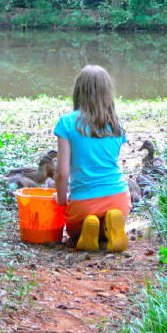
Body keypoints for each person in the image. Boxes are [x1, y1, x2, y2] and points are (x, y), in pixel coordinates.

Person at [54, 65, 131, 252]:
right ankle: (108, 228)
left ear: (79, 91)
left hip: (84, 202)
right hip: (119, 196)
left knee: (73, 230)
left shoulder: (66, 122)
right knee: (110, 217)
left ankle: (86, 230)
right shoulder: (116, 124)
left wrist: (61, 198)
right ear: (107, 93)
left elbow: (62, 173)